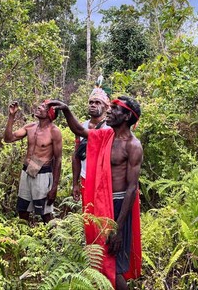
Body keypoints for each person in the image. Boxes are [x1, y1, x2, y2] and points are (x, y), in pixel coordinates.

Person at [49, 96, 142, 290]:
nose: (109, 111)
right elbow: (80, 130)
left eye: (115, 109)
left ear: (126, 117)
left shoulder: (132, 146)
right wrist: (66, 110)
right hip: (101, 204)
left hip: (119, 206)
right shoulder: (106, 135)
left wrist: (118, 228)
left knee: (113, 265)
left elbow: (132, 188)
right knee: (101, 258)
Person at [4, 100, 62, 224]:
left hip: (43, 174)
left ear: (50, 113)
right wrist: (11, 116)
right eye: (40, 105)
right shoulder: (30, 127)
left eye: (43, 107)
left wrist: (54, 187)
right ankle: (25, 237)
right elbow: (8, 138)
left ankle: (53, 240)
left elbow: (58, 160)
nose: (38, 107)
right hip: (27, 171)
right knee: (22, 209)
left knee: (44, 213)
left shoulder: (54, 131)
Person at [72, 87, 110, 203]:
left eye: (98, 102)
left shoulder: (110, 128)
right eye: (91, 102)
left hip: (103, 179)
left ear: (106, 107)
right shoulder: (81, 127)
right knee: (88, 214)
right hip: (85, 177)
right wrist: (75, 183)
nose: (93, 105)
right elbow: (76, 155)